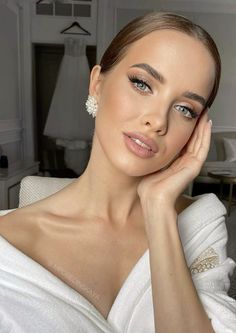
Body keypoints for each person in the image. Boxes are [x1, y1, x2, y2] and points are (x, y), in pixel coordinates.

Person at [0, 12, 235, 333]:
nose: (159, 120)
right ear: (97, 84)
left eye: (185, 109)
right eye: (142, 84)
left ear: (196, 129)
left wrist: (158, 208)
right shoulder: (7, 247)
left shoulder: (201, 223)